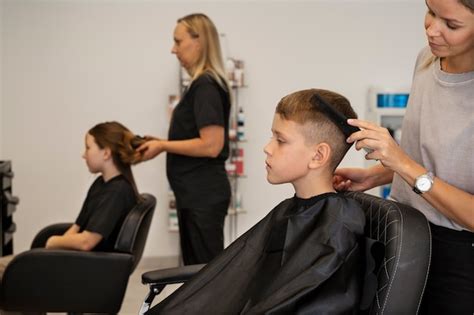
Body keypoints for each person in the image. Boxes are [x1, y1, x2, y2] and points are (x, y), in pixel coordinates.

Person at [147, 88, 366, 314]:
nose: (267, 148)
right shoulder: (291, 210)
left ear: (318, 155)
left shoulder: (336, 228)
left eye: (280, 140)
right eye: (272, 137)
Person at [333, 0, 474, 313]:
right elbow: (432, 157)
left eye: (451, 24)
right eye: (430, 11)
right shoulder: (427, 59)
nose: (431, 29)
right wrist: (380, 174)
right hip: (407, 234)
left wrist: (403, 164)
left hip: (459, 258)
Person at [0, 121, 146, 287]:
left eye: (88, 148)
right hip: (79, 262)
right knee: (14, 272)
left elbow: (86, 242)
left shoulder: (117, 192)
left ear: (106, 153)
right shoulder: (101, 184)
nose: (83, 155)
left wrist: (53, 242)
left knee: (8, 272)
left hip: (88, 268)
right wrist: (48, 253)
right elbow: (77, 227)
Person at [137, 13, 231, 265]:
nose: (173, 49)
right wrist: (159, 142)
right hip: (195, 194)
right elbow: (198, 139)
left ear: (198, 42)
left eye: (178, 42)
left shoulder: (206, 86)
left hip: (202, 195)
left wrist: (162, 146)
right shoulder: (202, 85)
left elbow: (212, 145)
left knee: (204, 275)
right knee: (195, 273)